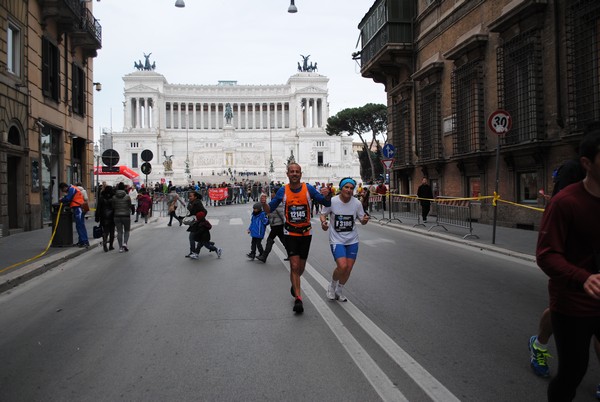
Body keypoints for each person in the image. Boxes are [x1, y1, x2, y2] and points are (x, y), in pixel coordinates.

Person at [536, 128, 600, 401]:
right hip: (574, 303)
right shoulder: (566, 202)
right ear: (587, 163)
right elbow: (546, 254)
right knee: (573, 371)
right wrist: (582, 277)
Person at [529, 153, 589, 379]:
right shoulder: (571, 170)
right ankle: (540, 345)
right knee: (561, 309)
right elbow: (557, 213)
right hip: (573, 256)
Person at [260, 163, 331, 314]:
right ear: (287, 174)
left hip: (306, 233)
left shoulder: (308, 189)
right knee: (294, 266)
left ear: (301, 174)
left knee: (301, 268)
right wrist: (264, 203)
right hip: (290, 233)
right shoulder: (282, 190)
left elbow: (325, 203)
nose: (294, 174)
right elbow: (270, 209)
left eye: (297, 172)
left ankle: (295, 283)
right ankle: (298, 298)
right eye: (291, 171)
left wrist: (327, 194)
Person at [320, 178, 369, 302]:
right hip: (337, 240)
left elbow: (362, 220)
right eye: (346, 187)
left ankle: (339, 290)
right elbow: (323, 214)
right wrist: (323, 222)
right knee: (342, 266)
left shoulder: (357, 203)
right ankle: (332, 286)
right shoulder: (332, 201)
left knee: (348, 268)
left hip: (352, 240)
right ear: (341, 188)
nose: (349, 190)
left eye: (351, 188)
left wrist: (364, 220)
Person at [256, 188, 286, 263]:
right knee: (283, 240)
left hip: (277, 225)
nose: (271, 194)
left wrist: (285, 224)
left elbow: (281, 214)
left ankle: (264, 256)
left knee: (270, 239)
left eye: (273, 192)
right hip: (274, 224)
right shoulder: (273, 202)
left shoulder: (278, 203)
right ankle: (292, 253)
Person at [58, 182, 89, 247]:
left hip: (78, 208)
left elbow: (68, 198)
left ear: (64, 187)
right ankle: (82, 241)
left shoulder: (72, 189)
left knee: (80, 225)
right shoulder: (73, 188)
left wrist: (62, 199)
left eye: (62, 190)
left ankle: (84, 241)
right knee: (79, 225)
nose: (63, 191)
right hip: (78, 208)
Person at [184, 191, 207, 258]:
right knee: (200, 239)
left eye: (191, 196)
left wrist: (199, 218)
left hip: (198, 223)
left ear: (195, 197)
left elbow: (205, 211)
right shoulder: (191, 202)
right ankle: (194, 252)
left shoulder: (197, 203)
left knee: (192, 237)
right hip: (194, 223)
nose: (189, 197)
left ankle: (194, 252)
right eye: (189, 196)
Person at [111, 182, 132, 252]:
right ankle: (125, 243)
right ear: (124, 188)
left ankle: (120, 247)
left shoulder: (114, 197)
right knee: (127, 230)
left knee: (119, 232)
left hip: (116, 215)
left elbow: (113, 206)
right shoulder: (127, 196)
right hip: (126, 215)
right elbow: (129, 205)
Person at [95, 185, 115, 252]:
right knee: (112, 231)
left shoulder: (101, 197)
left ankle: (104, 242)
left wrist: (97, 217)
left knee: (105, 231)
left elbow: (98, 208)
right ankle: (111, 246)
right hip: (112, 216)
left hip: (103, 216)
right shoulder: (113, 197)